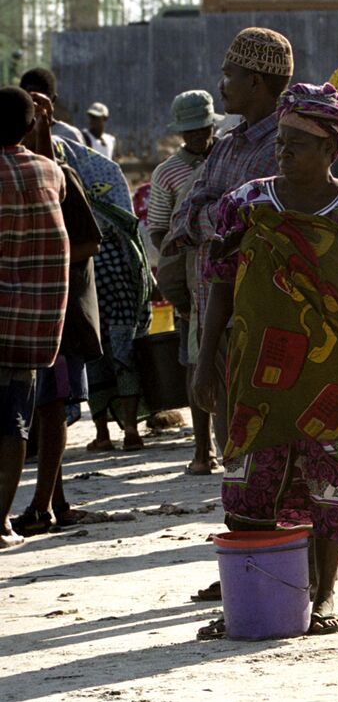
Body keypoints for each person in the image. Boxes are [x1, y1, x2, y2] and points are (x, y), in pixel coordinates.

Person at [192, 83, 338, 637]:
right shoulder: (247, 204)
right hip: (258, 371)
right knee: (252, 478)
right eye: (281, 141)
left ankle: (321, 596)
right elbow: (221, 284)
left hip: (333, 370)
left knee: (331, 484)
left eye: (298, 143)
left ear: (330, 148)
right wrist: (205, 361)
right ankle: (250, 598)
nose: (284, 152)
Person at [171, 27, 293, 453]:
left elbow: (245, 224)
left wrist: (213, 214)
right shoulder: (227, 145)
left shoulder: (283, 145)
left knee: (264, 449)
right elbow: (185, 216)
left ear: (255, 81)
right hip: (216, 316)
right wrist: (218, 213)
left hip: (262, 322)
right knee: (232, 448)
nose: (221, 84)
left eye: (228, 74)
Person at [10, 89, 102, 537]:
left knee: (51, 410)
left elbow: (88, 241)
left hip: (58, 317)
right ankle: (52, 501)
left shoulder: (60, 176)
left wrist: (44, 260)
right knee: (36, 411)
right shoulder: (23, 176)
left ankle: (44, 504)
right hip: (34, 314)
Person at [0, 86, 70, 549]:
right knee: (13, 424)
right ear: (28, 127)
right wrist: (42, 127)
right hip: (31, 331)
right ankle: (1, 523)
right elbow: (53, 178)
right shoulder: (50, 171)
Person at [57, 124, 147, 452]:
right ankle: (132, 430)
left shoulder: (63, 182)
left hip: (87, 281)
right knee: (124, 353)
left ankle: (103, 434)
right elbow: (132, 234)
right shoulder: (105, 177)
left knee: (94, 356)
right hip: (120, 279)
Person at [148, 90, 220, 476]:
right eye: (189, 131)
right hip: (190, 277)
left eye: (202, 129)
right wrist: (180, 264)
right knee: (196, 359)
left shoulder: (228, 156)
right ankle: (201, 449)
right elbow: (158, 229)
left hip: (228, 266)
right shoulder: (167, 173)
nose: (197, 136)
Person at [18, 68, 84, 150]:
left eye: (40, 101)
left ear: (53, 100)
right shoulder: (14, 135)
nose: (36, 106)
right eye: (31, 100)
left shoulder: (69, 135)